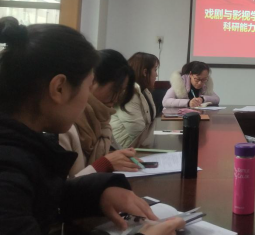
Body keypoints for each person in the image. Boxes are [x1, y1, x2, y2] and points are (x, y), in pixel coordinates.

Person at [0, 17, 183, 235]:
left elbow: (48, 194)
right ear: (59, 89)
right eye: (88, 87)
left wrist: (98, 194)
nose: (89, 98)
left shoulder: (24, 145)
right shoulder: (8, 170)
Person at [59, 50, 142, 177]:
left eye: (122, 92)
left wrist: (120, 157)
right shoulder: (64, 126)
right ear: (92, 81)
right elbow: (64, 186)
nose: (116, 99)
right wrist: (105, 163)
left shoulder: (103, 122)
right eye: (115, 90)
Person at [111, 53, 158, 149]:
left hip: (138, 145)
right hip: (124, 148)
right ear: (145, 72)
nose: (156, 74)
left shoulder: (144, 91)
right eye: (155, 70)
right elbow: (137, 132)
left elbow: (150, 122)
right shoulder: (130, 93)